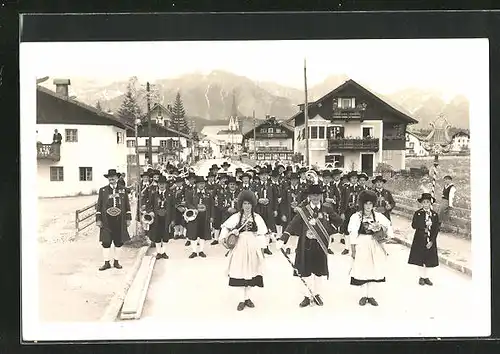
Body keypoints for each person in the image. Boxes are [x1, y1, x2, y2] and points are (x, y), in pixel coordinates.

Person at [277, 184, 342, 308]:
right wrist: (283, 238)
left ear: (321, 196)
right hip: (305, 245)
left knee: (318, 272)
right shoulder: (304, 210)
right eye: (313, 195)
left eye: (318, 195)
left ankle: (317, 294)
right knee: (305, 271)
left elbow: (339, 221)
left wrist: (329, 230)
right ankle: (307, 296)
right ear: (309, 196)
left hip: (320, 245)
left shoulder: (327, 209)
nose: (316, 197)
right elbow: (292, 224)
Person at [218, 190, 268, 311]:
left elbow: (262, 234)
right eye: (244, 204)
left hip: (252, 246)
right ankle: (241, 299)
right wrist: (226, 236)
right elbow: (225, 227)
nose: (247, 206)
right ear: (241, 204)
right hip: (239, 247)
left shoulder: (257, 218)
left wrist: (262, 248)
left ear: (252, 204)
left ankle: (248, 298)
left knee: (251, 271)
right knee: (240, 271)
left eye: (249, 204)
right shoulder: (236, 217)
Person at [348, 190, 393, 307]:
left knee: (374, 267)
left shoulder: (378, 216)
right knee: (363, 268)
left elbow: (389, 226)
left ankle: (371, 295)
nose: (368, 206)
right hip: (362, 243)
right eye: (366, 204)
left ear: (373, 204)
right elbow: (352, 233)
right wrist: (353, 249)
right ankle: (363, 295)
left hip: (374, 244)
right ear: (362, 204)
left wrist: (381, 228)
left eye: (370, 204)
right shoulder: (356, 216)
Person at [95, 169, 132, 271]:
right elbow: (99, 206)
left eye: (114, 177)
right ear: (108, 179)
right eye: (110, 177)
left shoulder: (123, 190)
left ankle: (116, 262)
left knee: (118, 242)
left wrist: (128, 219)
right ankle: (106, 263)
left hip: (119, 220)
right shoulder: (103, 190)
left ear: (117, 178)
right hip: (106, 220)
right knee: (106, 242)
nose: (112, 179)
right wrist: (98, 219)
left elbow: (127, 205)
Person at [408, 193, 440, 286]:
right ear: (422, 203)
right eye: (424, 202)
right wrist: (424, 225)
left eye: (428, 202)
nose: (426, 204)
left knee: (429, 259)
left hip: (430, 240)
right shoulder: (418, 213)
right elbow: (414, 225)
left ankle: (426, 277)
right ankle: (421, 277)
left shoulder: (434, 215)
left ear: (430, 203)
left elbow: (436, 229)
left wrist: (432, 241)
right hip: (419, 239)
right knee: (420, 258)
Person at [185, 176, 213, 258]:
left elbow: (211, 205)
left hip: (204, 216)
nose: (201, 185)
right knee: (193, 233)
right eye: (200, 183)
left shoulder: (208, 194)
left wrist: (211, 216)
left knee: (203, 234)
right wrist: (194, 209)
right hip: (194, 216)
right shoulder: (191, 193)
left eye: (203, 183)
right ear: (196, 184)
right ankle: (194, 251)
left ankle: (201, 250)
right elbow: (188, 203)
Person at [146, 175, 173, 259]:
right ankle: (158, 252)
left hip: (166, 218)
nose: (162, 185)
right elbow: (148, 205)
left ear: (166, 185)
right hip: (156, 218)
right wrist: (150, 211)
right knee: (157, 236)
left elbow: (173, 208)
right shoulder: (154, 194)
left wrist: (173, 220)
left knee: (165, 236)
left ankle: (163, 252)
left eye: (163, 184)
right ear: (158, 185)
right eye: (160, 184)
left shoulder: (170, 195)